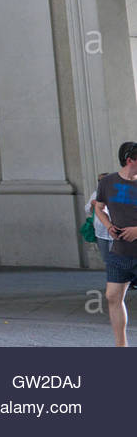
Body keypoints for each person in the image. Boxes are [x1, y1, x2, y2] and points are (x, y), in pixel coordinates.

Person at [93, 141, 137, 347]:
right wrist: (109, 225)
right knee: (112, 296)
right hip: (120, 252)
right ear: (130, 161)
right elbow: (98, 208)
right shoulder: (108, 182)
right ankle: (121, 346)